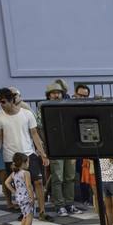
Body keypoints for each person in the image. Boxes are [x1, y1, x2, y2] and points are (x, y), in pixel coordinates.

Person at [0, 87, 48, 220]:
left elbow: (34, 134)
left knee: (38, 182)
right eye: (0, 102)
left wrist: (42, 153)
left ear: (12, 100)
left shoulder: (27, 114)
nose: (2, 104)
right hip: (11, 156)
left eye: (4, 101)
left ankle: (42, 211)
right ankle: (26, 211)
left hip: (28, 153)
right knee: (19, 185)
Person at [41, 80, 77, 217]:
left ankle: (70, 203)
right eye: (53, 93)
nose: (56, 95)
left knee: (70, 176)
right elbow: (40, 129)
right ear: (48, 95)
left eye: (58, 93)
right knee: (58, 177)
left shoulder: (67, 106)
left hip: (69, 145)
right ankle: (60, 205)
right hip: (55, 146)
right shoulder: (43, 107)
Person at [6, 152, 36, 225]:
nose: (28, 164)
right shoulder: (26, 173)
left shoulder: (14, 174)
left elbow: (6, 183)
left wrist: (14, 191)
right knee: (29, 216)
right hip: (27, 197)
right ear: (23, 163)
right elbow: (29, 186)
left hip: (19, 197)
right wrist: (32, 197)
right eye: (27, 162)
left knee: (24, 215)